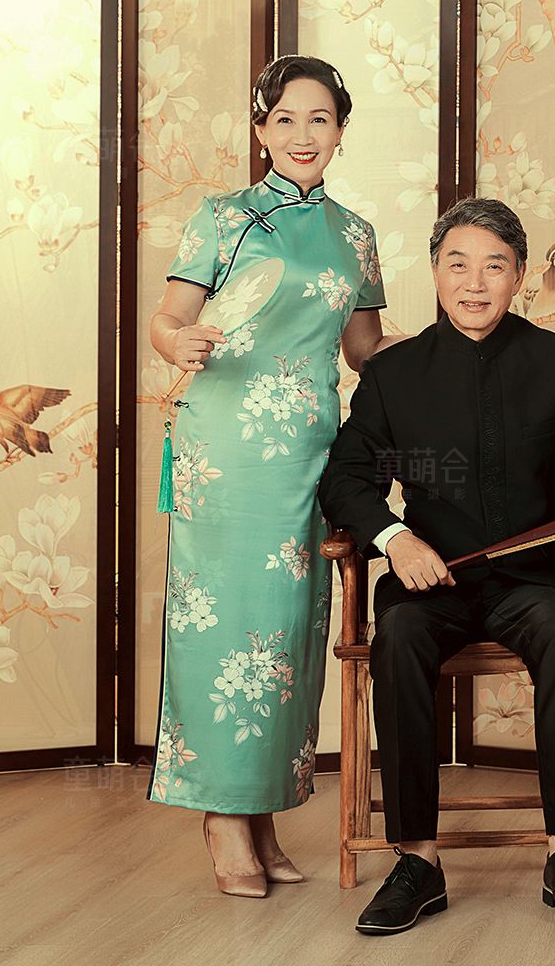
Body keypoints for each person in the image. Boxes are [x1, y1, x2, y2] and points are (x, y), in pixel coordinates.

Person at [318, 198, 555, 935]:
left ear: (519, 275)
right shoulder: (393, 372)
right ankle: (417, 861)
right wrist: (395, 538)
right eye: (457, 264)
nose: (474, 282)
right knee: (399, 638)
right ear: (434, 272)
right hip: (430, 579)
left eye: (494, 266)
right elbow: (346, 478)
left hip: (533, 579)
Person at [146, 55, 393, 898]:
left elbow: (364, 350)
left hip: (309, 450)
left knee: (287, 630)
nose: (302, 134)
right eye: (284, 119)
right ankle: (222, 814)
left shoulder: (355, 234)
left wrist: (452, 346)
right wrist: (175, 342)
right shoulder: (224, 217)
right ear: (261, 130)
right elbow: (169, 318)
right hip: (225, 448)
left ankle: (262, 812)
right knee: (225, 625)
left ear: (341, 130)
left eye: (319, 118)